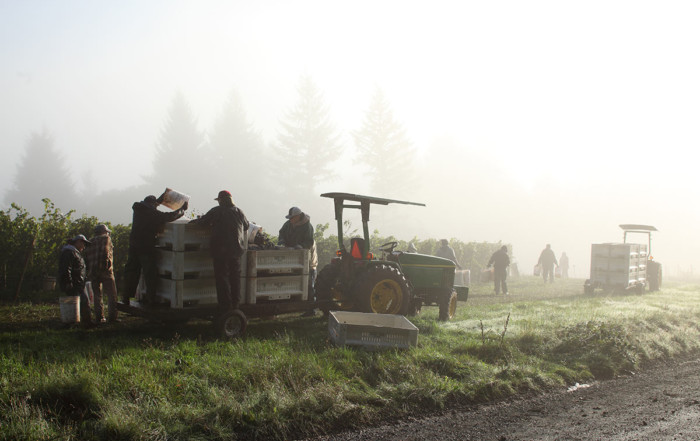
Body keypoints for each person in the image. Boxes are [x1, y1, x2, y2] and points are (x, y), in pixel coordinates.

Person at [189, 190, 249, 314]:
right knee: (235, 278)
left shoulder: (216, 211)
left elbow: (202, 222)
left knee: (222, 278)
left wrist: (194, 221)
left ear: (221, 200)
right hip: (236, 250)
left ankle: (225, 306)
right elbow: (246, 226)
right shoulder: (239, 211)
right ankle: (235, 305)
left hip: (220, 250)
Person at [123, 194, 187, 305]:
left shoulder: (139, 209)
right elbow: (168, 217)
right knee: (150, 273)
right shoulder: (151, 213)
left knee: (131, 272)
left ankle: (126, 297)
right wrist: (182, 210)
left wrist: (159, 200)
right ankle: (151, 299)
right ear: (152, 204)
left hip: (134, 245)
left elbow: (154, 209)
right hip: (145, 247)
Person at [278, 206, 319, 316]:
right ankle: (296, 306)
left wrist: (300, 246)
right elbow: (281, 233)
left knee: (309, 285)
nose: (290, 220)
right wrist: (281, 241)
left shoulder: (308, 227)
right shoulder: (288, 224)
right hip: (293, 259)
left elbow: (309, 241)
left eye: (292, 218)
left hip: (308, 260)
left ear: (298, 216)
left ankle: (311, 310)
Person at [85, 224, 118, 323]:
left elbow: (87, 257)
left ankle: (99, 317)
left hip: (93, 272)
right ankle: (112, 317)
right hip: (105, 271)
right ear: (104, 231)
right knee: (112, 295)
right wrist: (107, 267)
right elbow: (105, 252)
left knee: (97, 295)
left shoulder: (90, 241)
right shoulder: (106, 239)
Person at [58, 234, 93, 327]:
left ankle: (80, 322)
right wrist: (68, 282)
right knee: (84, 302)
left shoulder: (74, 252)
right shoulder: (69, 252)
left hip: (78, 283)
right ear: (78, 242)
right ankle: (85, 323)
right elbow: (66, 269)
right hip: (74, 283)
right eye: (83, 243)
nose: (84, 246)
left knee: (81, 303)